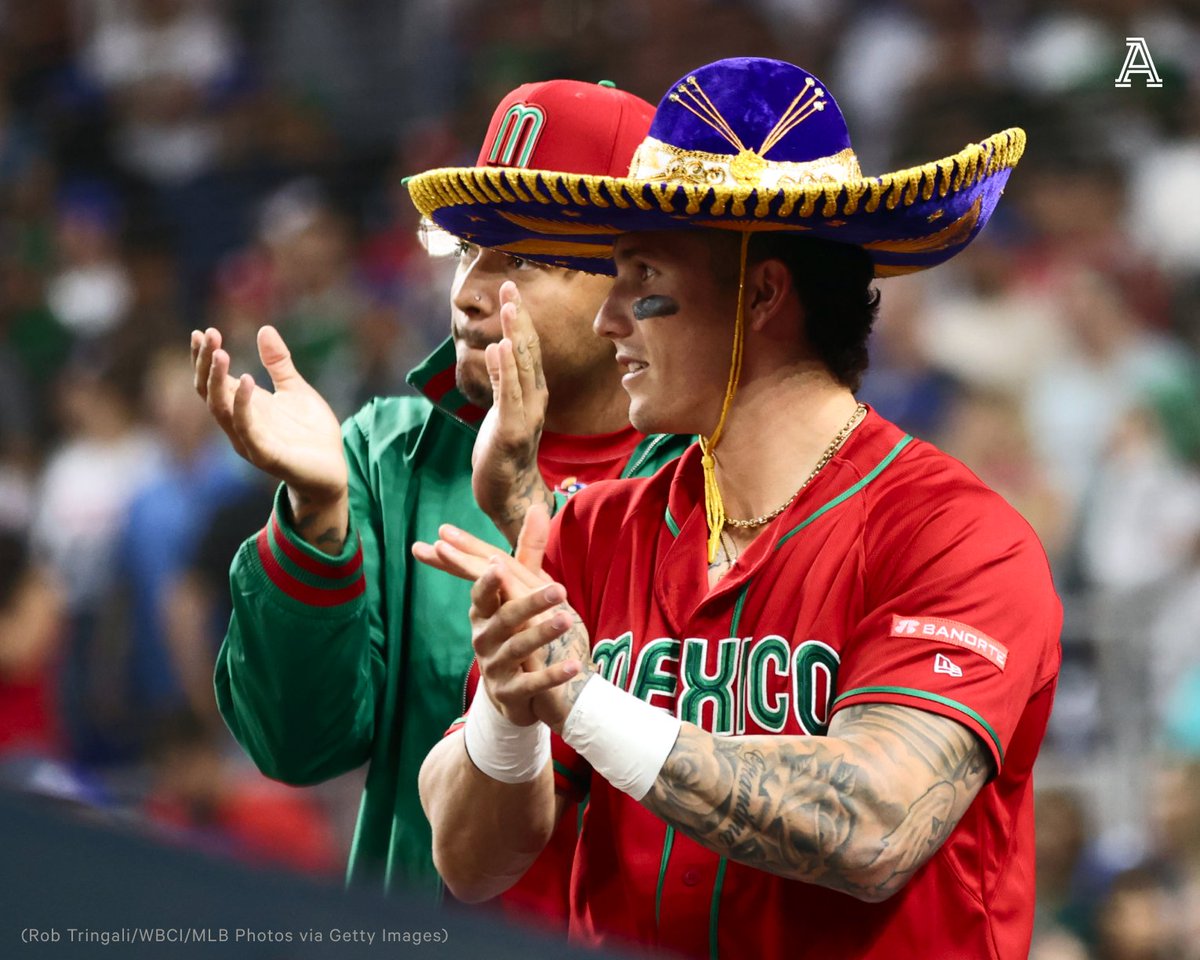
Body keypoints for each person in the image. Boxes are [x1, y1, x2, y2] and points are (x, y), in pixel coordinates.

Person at [412, 57, 1061, 959]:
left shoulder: (958, 535)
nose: (608, 322)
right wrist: (509, 714)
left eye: (641, 277)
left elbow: (872, 827)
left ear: (762, 293)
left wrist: (587, 704)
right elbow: (471, 864)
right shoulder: (594, 530)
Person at [188, 79, 691, 915]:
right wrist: (316, 519)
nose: (465, 290)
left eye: (518, 260)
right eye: (465, 248)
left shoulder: (717, 470)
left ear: (634, 285)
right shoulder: (389, 454)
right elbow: (295, 746)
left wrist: (532, 509)